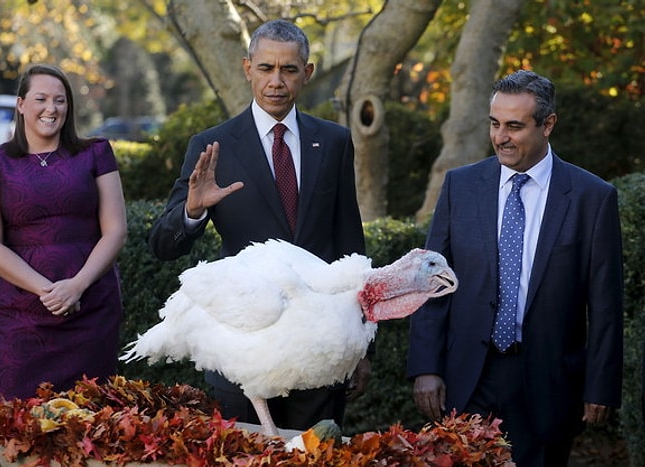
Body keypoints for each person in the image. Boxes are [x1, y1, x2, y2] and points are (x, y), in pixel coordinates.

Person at [148, 19, 368, 432]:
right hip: (244, 359)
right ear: (248, 68)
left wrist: (359, 343)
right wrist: (192, 212)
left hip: (319, 350)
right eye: (266, 68)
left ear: (308, 72)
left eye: (288, 69)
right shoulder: (212, 145)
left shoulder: (334, 141)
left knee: (315, 457)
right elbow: (162, 244)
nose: (276, 81)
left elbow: (349, 246)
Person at [407, 70, 623, 466]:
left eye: (514, 126)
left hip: (547, 383)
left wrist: (601, 387)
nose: (501, 137)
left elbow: (606, 306)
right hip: (467, 377)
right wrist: (426, 367)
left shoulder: (593, 198)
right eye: (494, 124)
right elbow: (431, 282)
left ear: (548, 125)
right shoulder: (460, 186)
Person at [0, 64, 127, 466]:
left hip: (90, 308)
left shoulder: (95, 153)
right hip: (19, 314)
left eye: (60, 100)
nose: (51, 108)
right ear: (21, 104)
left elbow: (115, 230)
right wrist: (48, 290)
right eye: (40, 99)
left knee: (89, 425)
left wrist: (76, 286)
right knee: (7, 424)